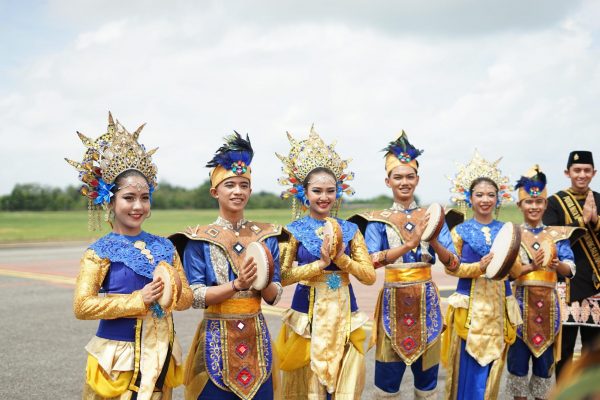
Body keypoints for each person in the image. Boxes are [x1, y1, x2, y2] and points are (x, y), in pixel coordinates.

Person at [68, 113, 193, 400]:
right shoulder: (98, 252)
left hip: (160, 355)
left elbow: (185, 299)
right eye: (129, 198)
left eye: (145, 198)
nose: (138, 206)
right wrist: (139, 300)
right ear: (110, 200)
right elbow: (82, 306)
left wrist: (171, 292)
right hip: (118, 360)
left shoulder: (165, 245)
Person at [169, 132, 286, 400]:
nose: (238, 191)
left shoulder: (266, 235)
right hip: (215, 338)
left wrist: (264, 279)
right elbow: (196, 296)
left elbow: (273, 295)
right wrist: (237, 285)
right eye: (230, 185)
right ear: (215, 191)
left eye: (244, 185)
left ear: (250, 190)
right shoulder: (198, 238)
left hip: (257, 336)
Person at [350, 131, 459, 399]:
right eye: (398, 177)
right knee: (387, 384)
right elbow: (370, 261)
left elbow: (453, 263)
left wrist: (433, 241)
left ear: (418, 180)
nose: (404, 182)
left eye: (410, 176)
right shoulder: (378, 219)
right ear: (388, 181)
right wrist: (407, 246)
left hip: (427, 303)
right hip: (392, 303)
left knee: (427, 383)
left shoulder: (433, 216)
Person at [273, 127, 376, 399]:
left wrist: (342, 260)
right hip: (306, 313)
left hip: (345, 309)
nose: (324, 197)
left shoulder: (350, 229)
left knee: (344, 379)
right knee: (306, 382)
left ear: (338, 193)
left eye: (330, 191)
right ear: (304, 193)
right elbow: (281, 276)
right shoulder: (293, 230)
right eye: (317, 191)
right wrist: (319, 264)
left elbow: (368, 276)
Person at [441, 150, 523, 400]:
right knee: (467, 367)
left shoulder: (508, 231)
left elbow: (517, 271)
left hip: (500, 308)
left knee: (493, 371)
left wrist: (506, 261)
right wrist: (480, 267)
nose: (485, 199)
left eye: (491, 195)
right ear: (469, 198)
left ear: (499, 199)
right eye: (479, 195)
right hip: (470, 309)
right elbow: (450, 268)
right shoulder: (460, 231)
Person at [506, 165, 577, 400]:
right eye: (529, 202)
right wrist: (531, 267)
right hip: (519, 308)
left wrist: (558, 266)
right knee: (517, 365)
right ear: (520, 205)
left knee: (544, 365)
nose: (534, 207)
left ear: (546, 205)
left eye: (539, 202)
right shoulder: (512, 234)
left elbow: (570, 269)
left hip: (548, 309)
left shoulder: (557, 235)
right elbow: (507, 273)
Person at [543, 151, 600, 379]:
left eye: (587, 170)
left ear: (594, 173)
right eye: (577, 170)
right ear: (568, 173)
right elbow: (552, 237)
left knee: (593, 351)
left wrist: (595, 222)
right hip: (566, 284)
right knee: (564, 351)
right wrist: (580, 223)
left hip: (596, 284)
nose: (582, 174)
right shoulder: (555, 203)